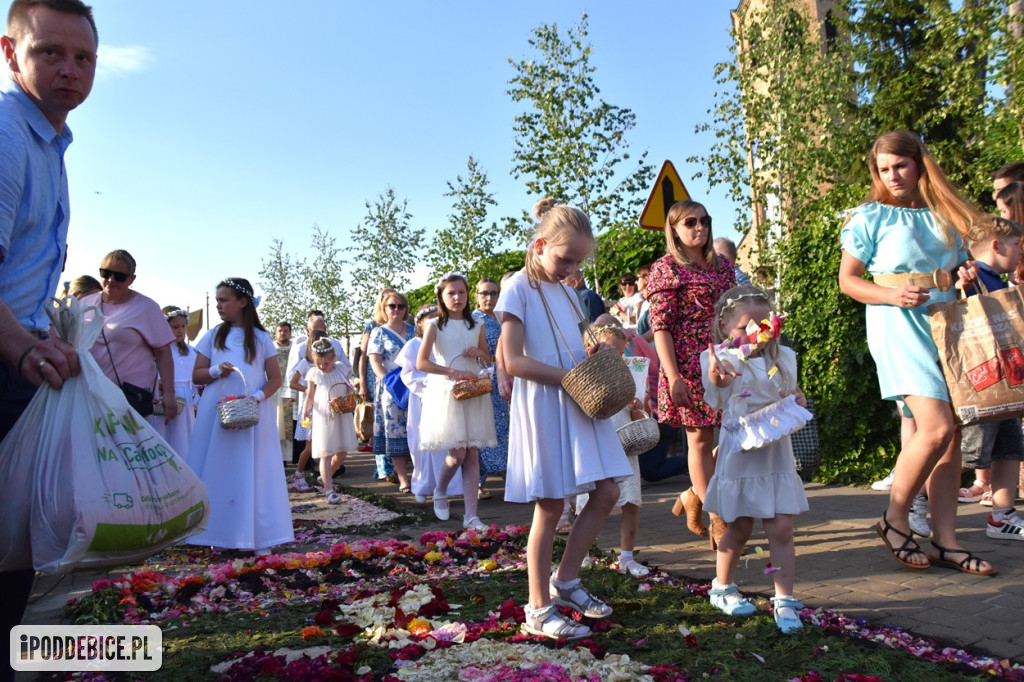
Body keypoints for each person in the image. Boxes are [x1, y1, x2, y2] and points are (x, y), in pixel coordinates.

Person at [838, 129, 995, 576]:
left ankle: (945, 540)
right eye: (883, 169)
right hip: (896, 324)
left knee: (951, 437)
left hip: (949, 326)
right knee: (935, 426)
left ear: (919, 162)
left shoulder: (947, 213)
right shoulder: (869, 216)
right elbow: (848, 280)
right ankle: (894, 517)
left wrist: (962, 271)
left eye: (900, 166)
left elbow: (965, 268)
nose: (892, 176)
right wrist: (890, 297)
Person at [0, 0, 97, 668]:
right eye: (49, 53)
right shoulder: (7, 134)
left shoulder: (47, 141)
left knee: (14, 563)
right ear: (10, 54)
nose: (69, 70)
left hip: (18, 363)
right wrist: (26, 347)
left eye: (84, 57)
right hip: (6, 362)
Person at [496, 198, 633, 640]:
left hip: (577, 399)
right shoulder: (516, 287)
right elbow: (514, 360)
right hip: (547, 400)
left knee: (609, 490)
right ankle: (536, 608)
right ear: (540, 244)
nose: (571, 268)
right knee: (551, 505)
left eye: (577, 261)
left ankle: (566, 580)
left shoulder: (568, 291)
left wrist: (591, 355)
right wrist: (571, 375)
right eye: (565, 258)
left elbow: (570, 344)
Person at [701, 285, 811, 633]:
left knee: (781, 525)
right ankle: (722, 586)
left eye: (765, 325)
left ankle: (784, 599)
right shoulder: (723, 358)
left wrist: (798, 398)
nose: (757, 334)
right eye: (746, 327)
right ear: (724, 326)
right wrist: (716, 375)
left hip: (775, 453)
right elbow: (716, 387)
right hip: (742, 452)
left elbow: (793, 393)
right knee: (740, 525)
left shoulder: (783, 358)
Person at [648, 200, 736, 546]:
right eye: (690, 222)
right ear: (674, 229)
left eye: (704, 220)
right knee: (699, 439)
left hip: (726, 358)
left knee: (735, 436)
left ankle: (692, 494)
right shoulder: (666, 268)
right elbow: (661, 328)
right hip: (687, 362)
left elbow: (736, 311)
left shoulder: (723, 267)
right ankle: (718, 516)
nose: (699, 227)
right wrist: (673, 376)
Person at [187, 277, 292, 555]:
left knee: (254, 470)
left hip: (251, 413)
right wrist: (214, 371)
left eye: (224, 300)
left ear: (242, 302)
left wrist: (255, 398)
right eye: (218, 300)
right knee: (219, 469)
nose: (219, 305)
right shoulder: (212, 335)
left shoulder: (260, 338)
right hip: (218, 412)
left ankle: (258, 536)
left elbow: (275, 378)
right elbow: (196, 374)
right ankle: (219, 533)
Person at [958, 216, 1024, 542]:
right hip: (981, 384)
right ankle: (917, 496)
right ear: (997, 246)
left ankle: (1002, 516)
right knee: (968, 452)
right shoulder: (971, 277)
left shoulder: (998, 280)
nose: (1019, 254)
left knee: (1009, 447)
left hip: (1005, 384)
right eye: (1016, 247)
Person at [417, 272, 497, 529]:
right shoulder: (434, 326)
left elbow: (488, 359)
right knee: (457, 454)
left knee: (472, 454)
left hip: (472, 390)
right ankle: (440, 489)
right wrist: (453, 372)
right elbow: (422, 362)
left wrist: (480, 354)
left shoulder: (477, 324)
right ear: (441, 296)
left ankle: (471, 516)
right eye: (451, 293)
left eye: (461, 292)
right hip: (447, 391)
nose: (457, 297)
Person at [575, 323, 650, 578]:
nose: (619, 359)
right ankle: (581, 553)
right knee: (589, 500)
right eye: (612, 354)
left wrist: (639, 406)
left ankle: (627, 556)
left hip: (625, 443)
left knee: (630, 501)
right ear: (590, 349)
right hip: (595, 444)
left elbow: (640, 412)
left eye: (621, 353)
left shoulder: (628, 375)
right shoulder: (584, 376)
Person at [81, 249, 177, 421]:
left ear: (132, 279)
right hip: (88, 394)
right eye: (106, 273)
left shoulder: (147, 307)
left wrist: (169, 395)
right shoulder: (85, 304)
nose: (111, 280)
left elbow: (163, 352)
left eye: (119, 276)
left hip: (129, 400)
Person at [398, 304, 463, 503]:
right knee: (423, 443)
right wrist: (428, 384)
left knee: (447, 441)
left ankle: (448, 487)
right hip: (423, 399)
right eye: (430, 318)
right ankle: (422, 485)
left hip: (446, 397)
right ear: (419, 323)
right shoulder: (414, 344)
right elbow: (407, 374)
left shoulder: (446, 342)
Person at [368, 289, 415, 489]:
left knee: (417, 429)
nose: (396, 309)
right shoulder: (379, 332)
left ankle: (420, 475)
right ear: (384, 309)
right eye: (392, 306)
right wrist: (389, 380)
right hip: (392, 386)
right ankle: (403, 478)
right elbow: (375, 361)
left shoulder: (415, 330)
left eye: (400, 306)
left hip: (416, 384)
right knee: (395, 431)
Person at [301, 337, 356, 505]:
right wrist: (306, 411)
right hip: (323, 416)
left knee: (341, 453)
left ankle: (325, 477)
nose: (322, 367)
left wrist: (350, 394)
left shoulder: (341, 369)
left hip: (340, 413)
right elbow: (310, 395)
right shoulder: (315, 373)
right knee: (326, 453)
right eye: (318, 363)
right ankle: (329, 490)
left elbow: (349, 387)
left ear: (333, 358)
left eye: (325, 363)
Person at [472, 277, 509, 497]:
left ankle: (506, 473)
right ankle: (476, 481)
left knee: (503, 428)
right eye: (484, 293)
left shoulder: (501, 317)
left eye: (494, 293)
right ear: (476, 295)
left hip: (503, 379)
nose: (489, 297)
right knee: (483, 429)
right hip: (483, 379)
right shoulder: (474, 320)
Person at [151, 306, 196, 459]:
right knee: (163, 436)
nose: (180, 331)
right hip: (162, 399)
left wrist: (197, 399)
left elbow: (195, 380)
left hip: (185, 401)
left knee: (184, 440)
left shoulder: (191, 352)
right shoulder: (156, 351)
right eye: (175, 327)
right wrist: (159, 384)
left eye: (183, 326)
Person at [288, 327, 328, 491]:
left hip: (324, 409)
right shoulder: (305, 363)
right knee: (310, 446)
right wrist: (307, 390)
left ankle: (326, 479)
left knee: (326, 446)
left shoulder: (327, 363)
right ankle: (299, 474)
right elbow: (292, 382)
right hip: (309, 412)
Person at [274, 321, 293, 448]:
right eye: (280, 331)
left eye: (285, 331)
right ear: (275, 333)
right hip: (274, 390)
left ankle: (293, 455)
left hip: (291, 389)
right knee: (276, 421)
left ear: (290, 333)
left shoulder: (295, 348)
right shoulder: (270, 348)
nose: (283, 333)